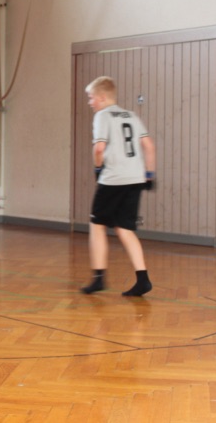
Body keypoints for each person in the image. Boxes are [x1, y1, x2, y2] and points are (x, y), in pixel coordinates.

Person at [80, 76, 156, 297]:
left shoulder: (102, 116)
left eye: (91, 98)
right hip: (135, 178)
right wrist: (149, 175)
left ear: (102, 98)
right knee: (124, 228)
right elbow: (149, 146)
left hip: (113, 179)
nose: (90, 102)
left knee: (97, 225)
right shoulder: (131, 115)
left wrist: (97, 169)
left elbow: (99, 149)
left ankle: (98, 279)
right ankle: (143, 279)